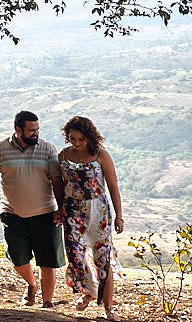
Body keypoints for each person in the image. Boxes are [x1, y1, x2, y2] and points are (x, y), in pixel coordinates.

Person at [0, 110, 67, 308]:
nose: (36, 133)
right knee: (18, 258)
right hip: (13, 214)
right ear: (18, 130)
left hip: (46, 214)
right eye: (31, 130)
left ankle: (47, 302)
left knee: (48, 261)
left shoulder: (47, 149)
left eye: (37, 130)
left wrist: (61, 208)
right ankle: (32, 285)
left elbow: (57, 181)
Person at [59, 116, 124, 320]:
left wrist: (119, 216)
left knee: (102, 258)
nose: (76, 143)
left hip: (98, 210)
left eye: (81, 139)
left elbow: (113, 186)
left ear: (89, 137)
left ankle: (108, 307)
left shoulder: (100, 155)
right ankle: (88, 292)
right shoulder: (63, 155)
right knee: (75, 256)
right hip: (72, 210)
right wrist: (60, 208)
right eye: (72, 139)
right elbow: (60, 185)